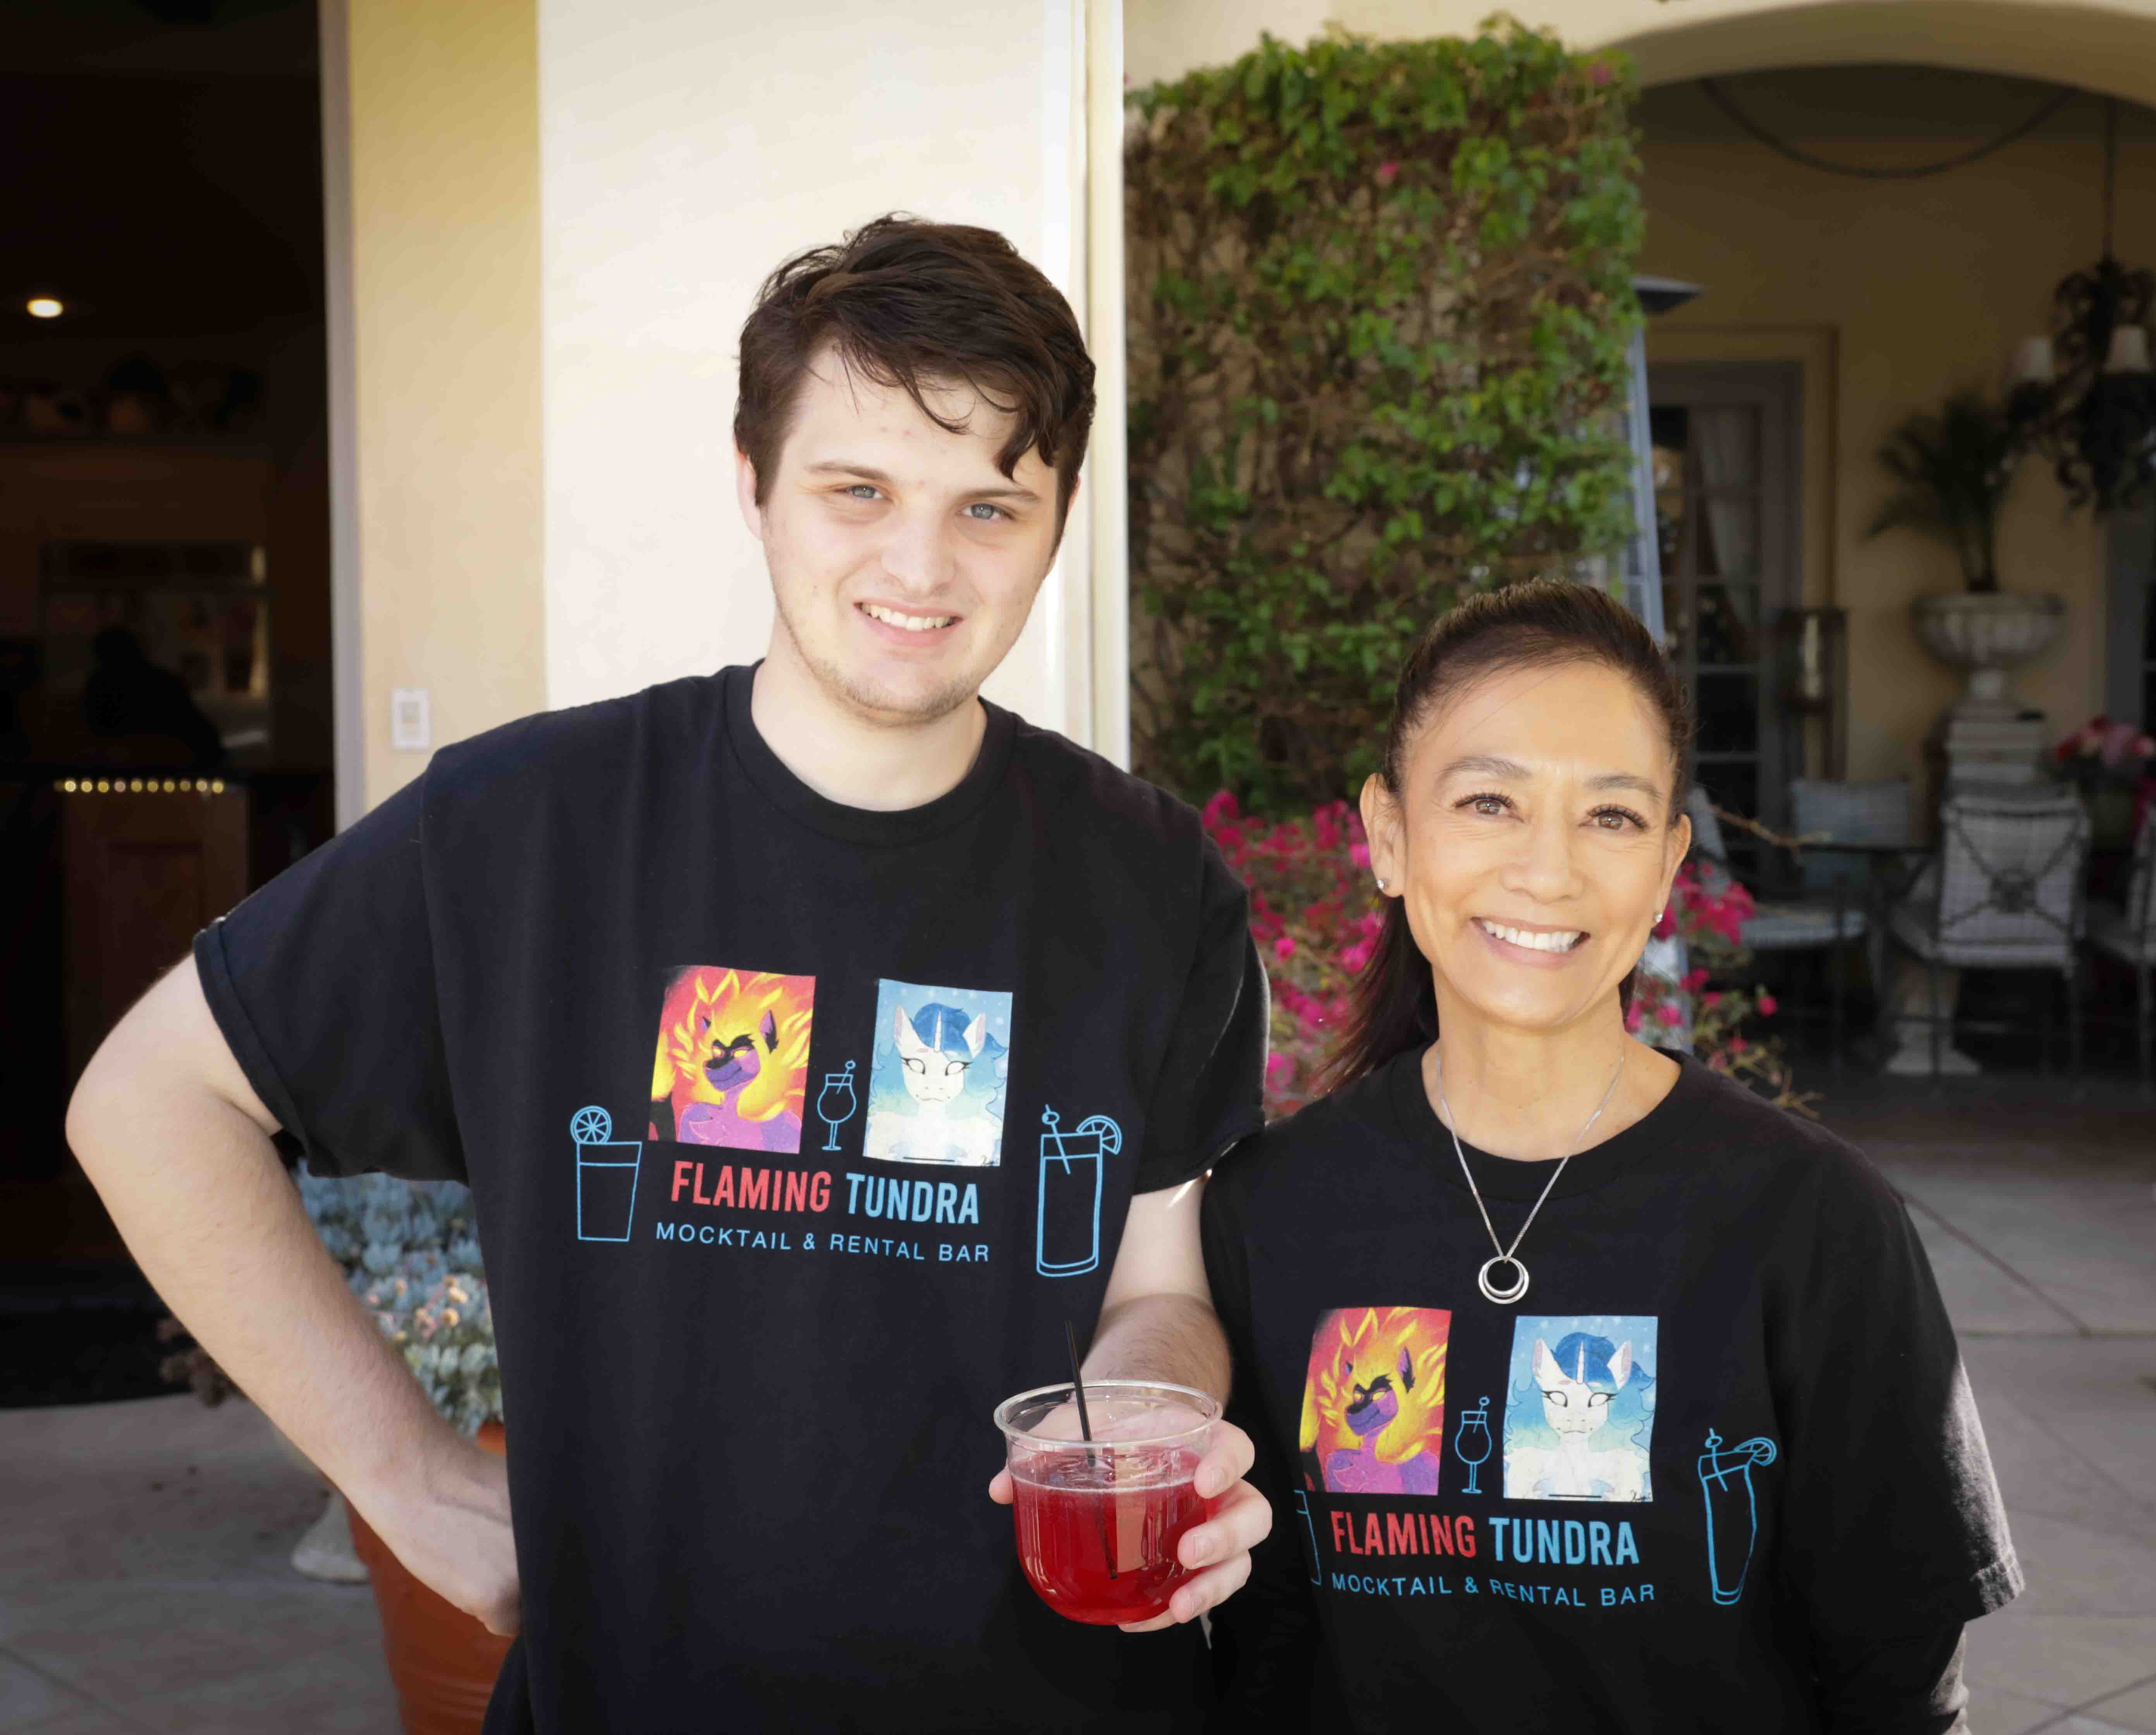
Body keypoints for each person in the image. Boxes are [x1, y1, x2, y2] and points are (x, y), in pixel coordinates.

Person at [66, 216, 1274, 1734]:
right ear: (753, 481)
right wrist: (406, 1474)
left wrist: (1151, 1423)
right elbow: (149, 1099)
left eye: (989, 505)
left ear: (1058, 518)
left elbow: (1158, 1284)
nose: (921, 564)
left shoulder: (1150, 878)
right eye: (858, 490)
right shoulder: (529, 829)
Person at [1201, 579, 2020, 1731]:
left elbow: (1899, 1686)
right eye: (1490, 802)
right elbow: (1266, 1652)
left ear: (1670, 865)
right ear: (1389, 836)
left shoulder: (1812, 1221)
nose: (1550, 871)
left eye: (1613, 817)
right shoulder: (1272, 1210)